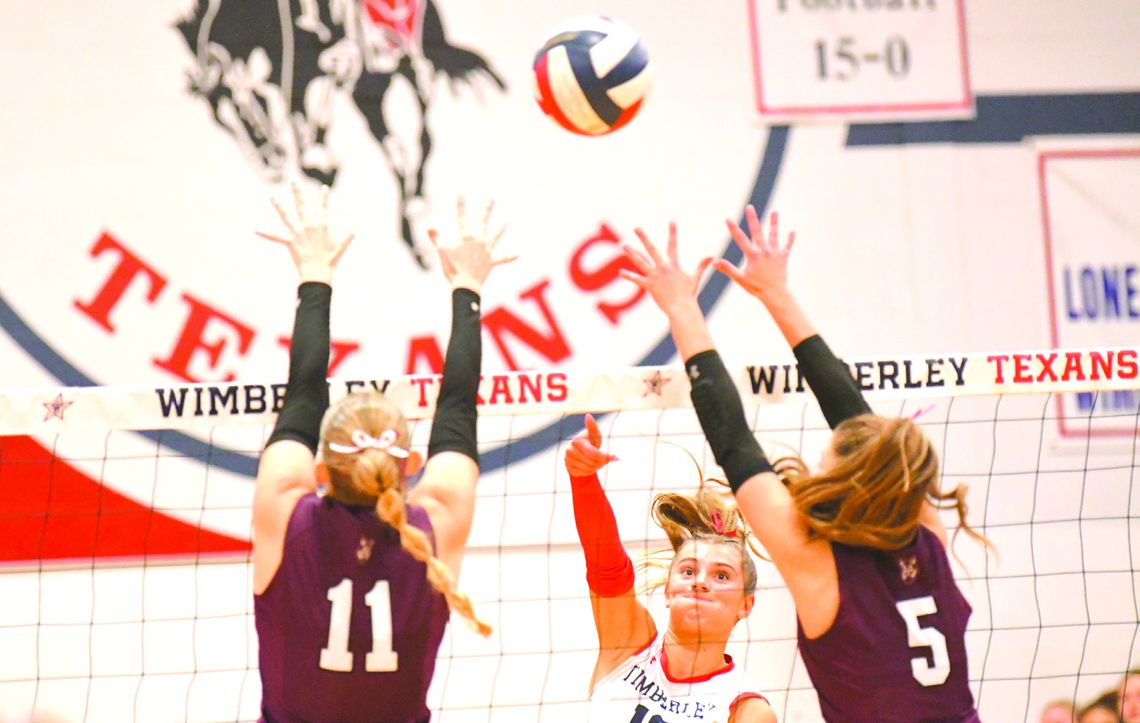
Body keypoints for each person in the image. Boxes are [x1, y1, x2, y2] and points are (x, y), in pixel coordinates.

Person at [620, 208, 988, 722]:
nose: (821, 461)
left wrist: (683, 307)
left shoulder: (819, 564)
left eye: (829, 457)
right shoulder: (926, 535)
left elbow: (734, 441)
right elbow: (863, 436)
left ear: (847, 475)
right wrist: (777, 296)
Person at [251, 187, 513, 722]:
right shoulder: (436, 523)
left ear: (321, 470)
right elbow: (459, 407)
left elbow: (302, 395)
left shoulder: (285, 514)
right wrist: (467, 286)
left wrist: (314, 271)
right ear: (411, 466)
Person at [565, 413, 777, 722]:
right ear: (667, 591)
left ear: (746, 604)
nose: (700, 582)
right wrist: (582, 479)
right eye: (689, 571)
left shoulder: (745, 710)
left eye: (721, 575)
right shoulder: (628, 648)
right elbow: (606, 567)